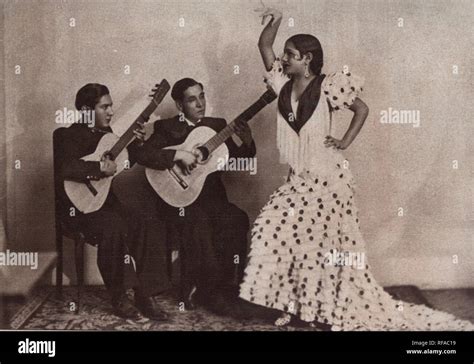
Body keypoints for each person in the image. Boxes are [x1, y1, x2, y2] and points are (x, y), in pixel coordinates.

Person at [239, 7, 474, 331]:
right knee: (278, 235)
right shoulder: (281, 82)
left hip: (328, 180)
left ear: (307, 59)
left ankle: (322, 309)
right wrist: (276, 19)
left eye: (291, 54)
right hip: (298, 180)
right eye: (286, 54)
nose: (284, 58)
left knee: (323, 247)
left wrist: (345, 140)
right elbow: (264, 47)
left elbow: (361, 109)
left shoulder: (329, 85)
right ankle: (293, 305)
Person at [134, 78, 255, 314]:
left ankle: (230, 286)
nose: (200, 103)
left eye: (202, 96)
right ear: (180, 106)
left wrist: (247, 143)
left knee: (236, 218)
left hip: (211, 198)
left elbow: (238, 160)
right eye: (192, 99)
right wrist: (178, 154)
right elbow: (144, 156)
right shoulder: (167, 128)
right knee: (198, 222)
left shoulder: (218, 125)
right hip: (179, 200)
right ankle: (207, 290)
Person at [55, 83, 170, 321]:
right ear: (86, 110)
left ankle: (145, 294)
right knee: (113, 226)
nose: (110, 112)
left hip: (106, 203)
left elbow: (133, 160)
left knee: (146, 221)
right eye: (104, 107)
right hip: (78, 210)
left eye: (111, 106)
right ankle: (119, 296)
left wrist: (137, 142)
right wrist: (98, 167)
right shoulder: (68, 135)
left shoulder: (109, 137)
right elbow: (65, 167)